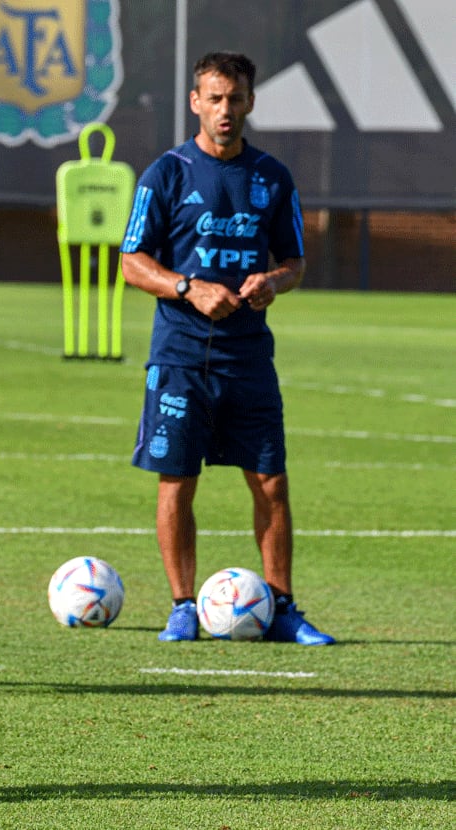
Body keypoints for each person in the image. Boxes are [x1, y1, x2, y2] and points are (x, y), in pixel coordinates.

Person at [120, 52, 334, 645]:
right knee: (177, 479)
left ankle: (284, 607)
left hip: (248, 357)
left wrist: (273, 283)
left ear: (250, 102)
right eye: (213, 98)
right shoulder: (165, 173)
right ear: (195, 102)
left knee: (271, 481)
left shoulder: (273, 177)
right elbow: (132, 262)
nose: (224, 110)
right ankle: (183, 606)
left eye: (234, 98)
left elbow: (294, 263)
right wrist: (187, 287)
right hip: (180, 356)